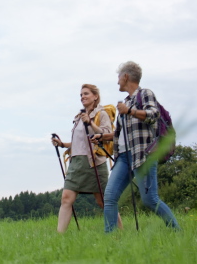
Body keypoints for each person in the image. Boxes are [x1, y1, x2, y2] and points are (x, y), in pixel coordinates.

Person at [92, 61, 181, 233]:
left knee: (150, 200)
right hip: (123, 157)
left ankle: (176, 231)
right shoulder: (125, 102)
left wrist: (130, 111)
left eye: (119, 77)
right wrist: (102, 137)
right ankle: (110, 239)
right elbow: (119, 133)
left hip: (143, 155)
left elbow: (153, 114)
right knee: (109, 197)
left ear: (125, 77)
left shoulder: (145, 94)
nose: (117, 81)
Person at [51, 84, 123, 233]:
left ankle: (120, 233)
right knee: (66, 198)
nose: (82, 97)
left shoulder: (101, 114)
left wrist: (89, 122)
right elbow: (79, 142)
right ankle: (58, 237)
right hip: (76, 162)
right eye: (81, 95)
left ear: (95, 96)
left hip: (94, 162)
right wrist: (62, 144)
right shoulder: (78, 117)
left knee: (104, 202)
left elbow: (107, 134)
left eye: (86, 94)